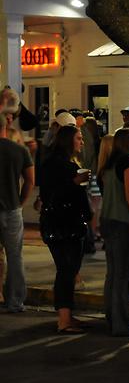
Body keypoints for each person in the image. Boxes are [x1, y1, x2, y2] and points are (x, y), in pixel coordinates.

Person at [38, 125, 92, 334]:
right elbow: (57, 193)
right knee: (66, 271)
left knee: (68, 270)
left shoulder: (53, 163)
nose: (82, 142)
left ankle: (67, 314)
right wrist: (75, 183)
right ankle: (64, 319)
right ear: (69, 141)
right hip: (65, 224)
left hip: (58, 223)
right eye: (79, 138)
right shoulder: (63, 167)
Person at [98, 127, 129, 337]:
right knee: (123, 276)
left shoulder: (109, 164)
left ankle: (113, 317)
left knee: (113, 274)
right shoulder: (128, 162)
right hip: (123, 222)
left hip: (108, 220)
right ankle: (123, 324)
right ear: (128, 142)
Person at [0, 102, 35, 314]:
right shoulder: (19, 150)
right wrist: (20, 202)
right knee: (15, 256)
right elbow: (30, 180)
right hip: (12, 208)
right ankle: (15, 300)